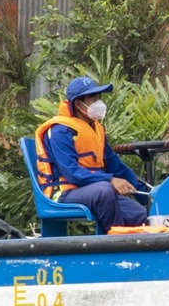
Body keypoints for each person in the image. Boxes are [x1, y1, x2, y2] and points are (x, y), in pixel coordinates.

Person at [34, 75, 151, 233]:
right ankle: (116, 244)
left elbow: (116, 166)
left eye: (99, 98)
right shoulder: (60, 131)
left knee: (142, 215)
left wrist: (148, 194)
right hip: (64, 193)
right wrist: (110, 180)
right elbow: (72, 173)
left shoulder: (96, 129)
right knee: (104, 191)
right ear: (78, 103)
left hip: (95, 190)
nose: (99, 103)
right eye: (92, 98)